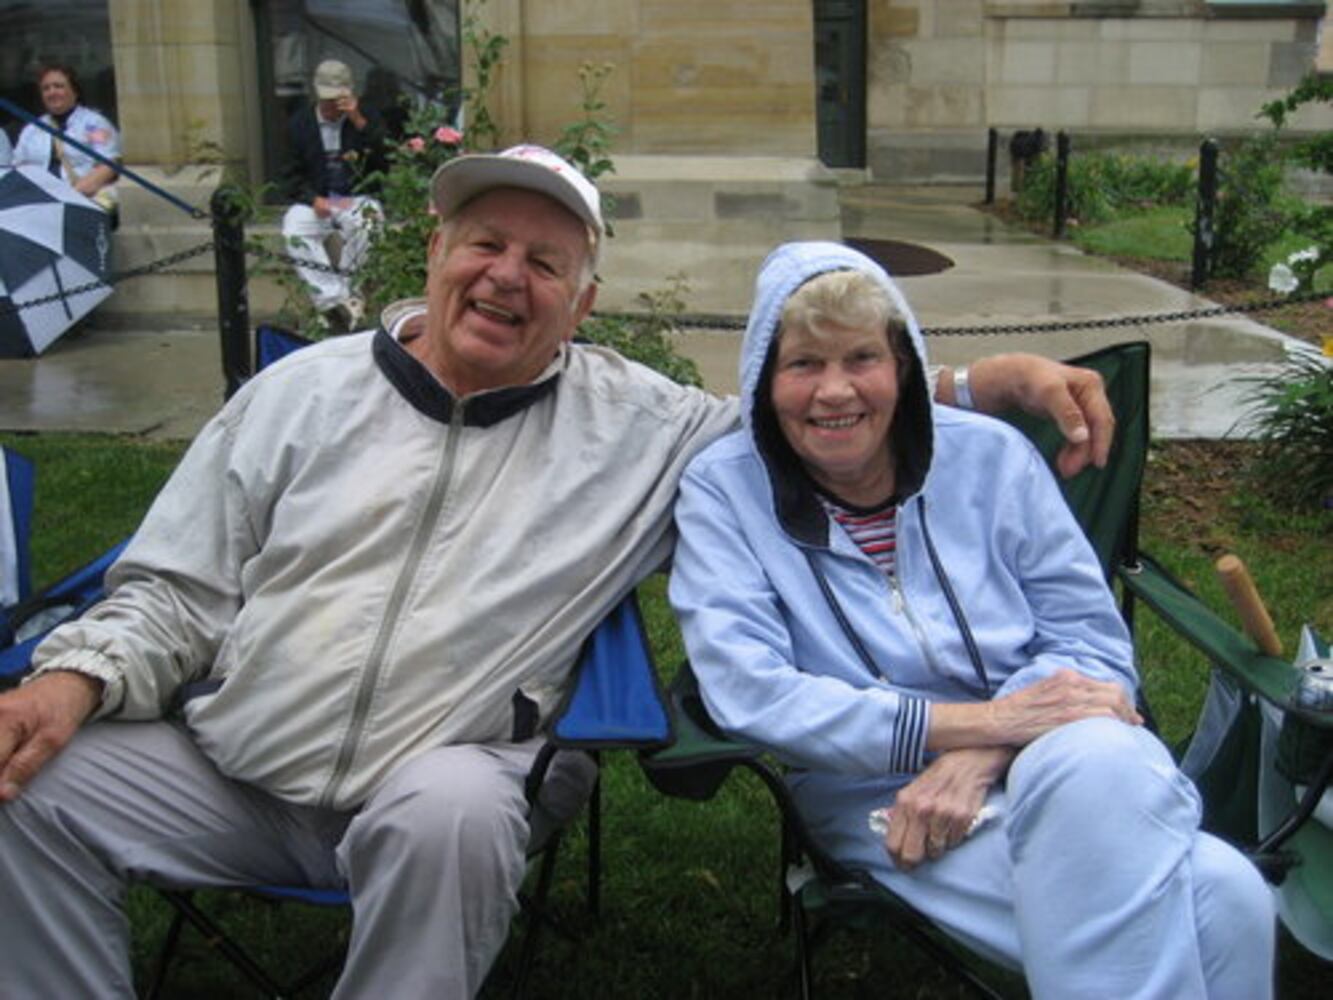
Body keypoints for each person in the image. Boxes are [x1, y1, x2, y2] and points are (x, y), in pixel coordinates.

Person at [0, 147, 1118, 999]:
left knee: (447, 815)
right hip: (233, 764)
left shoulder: (642, 429)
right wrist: (80, 678)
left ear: (582, 304)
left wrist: (987, 377)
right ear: (433, 255)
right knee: (20, 787)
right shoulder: (298, 396)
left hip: (446, 773)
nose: (506, 277)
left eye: (545, 262)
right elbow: (178, 587)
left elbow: (817, 403)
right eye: (485, 243)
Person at [667, 241, 1276, 999]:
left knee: (1105, 766)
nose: (832, 391)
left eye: (860, 358)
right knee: (1220, 892)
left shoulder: (992, 457)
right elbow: (751, 691)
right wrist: (982, 724)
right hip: (875, 795)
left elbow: (1089, 641)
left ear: (902, 366)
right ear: (763, 380)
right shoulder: (725, 494)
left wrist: (984, 746)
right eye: (801, 365)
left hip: (1052, 751)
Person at [281, 58, 385, 332]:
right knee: (294, 230)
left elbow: (385, 160)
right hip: (317, 197)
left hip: (354, 196)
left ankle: (351, 295)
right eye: (327, 100)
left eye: (337, 100)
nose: (331, 107)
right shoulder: (299, 124)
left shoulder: (363, 117)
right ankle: (331, 301)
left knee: (369, 222)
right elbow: (289, 175)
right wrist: (312, 198)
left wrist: (359, 121)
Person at [12, 62, 121, 218]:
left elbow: (108, 165)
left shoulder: (94, 124)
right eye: (46, 88)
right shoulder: (32, 129)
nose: (52, 92)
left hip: (82, 200)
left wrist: (71, 195)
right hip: (37, 204)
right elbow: (17, 167)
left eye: (59, 86)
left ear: (74, 91)